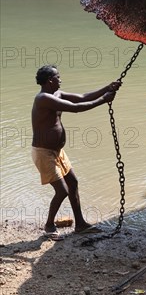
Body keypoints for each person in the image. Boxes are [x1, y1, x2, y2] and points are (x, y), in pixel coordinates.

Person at [31, 65, 121, 240]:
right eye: (58, 77)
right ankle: (49, 225)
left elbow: (81, 98)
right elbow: (75, 108)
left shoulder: (56, 94)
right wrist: (104, 100)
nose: (60, 79)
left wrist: (107, 88)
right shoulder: (43, 99)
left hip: (57, 151)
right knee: (62, 191)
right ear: (50, 81)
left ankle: (80, 224)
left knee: (73, 183)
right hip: (43, 153)